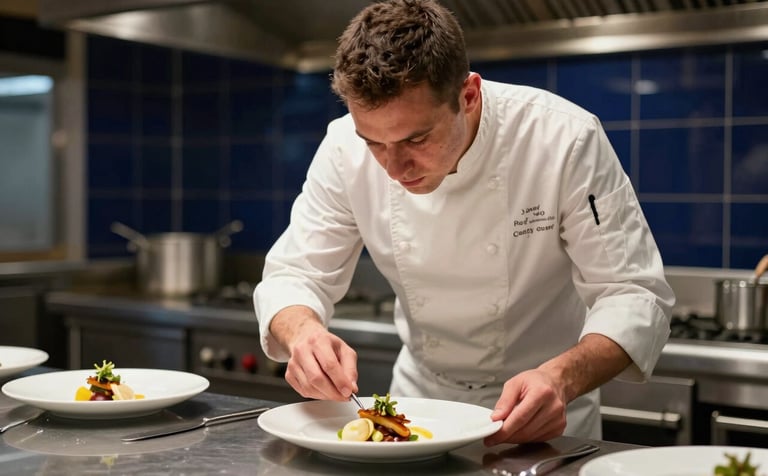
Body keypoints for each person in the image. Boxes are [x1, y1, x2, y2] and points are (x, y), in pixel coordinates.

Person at [254, 0, 675, 445]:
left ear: (468, 95)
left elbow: (632, 293)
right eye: (374, 142)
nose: (394, 167)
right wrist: (303, 334)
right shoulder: (342, 148)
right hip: (418, 407)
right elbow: (297, 274)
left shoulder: (562, 138)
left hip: (545, 413)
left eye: (416, 138)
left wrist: (561, 379)